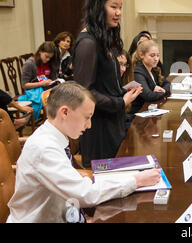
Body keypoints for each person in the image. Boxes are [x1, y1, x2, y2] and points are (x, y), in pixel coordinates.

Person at [7, 82, 161, 223]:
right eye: (87, 117)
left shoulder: (54, 136)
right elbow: (85, 194)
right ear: (65, 112)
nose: (89, 125)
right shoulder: (44, 148)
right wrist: (136, 180)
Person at [72, 0, 142, 168]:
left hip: (112, 121)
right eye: (113, 7)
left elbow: (104, 82)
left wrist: (122, 90)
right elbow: (84, 92)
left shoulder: (104, 38)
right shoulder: (88, 43)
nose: (119, 12)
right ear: (98, 6)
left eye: (120, 7)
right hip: (98, 128)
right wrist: (121, 102)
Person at [129, 40, 171, 114]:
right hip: (138, 115)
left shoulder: (154, 69)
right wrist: (164, 92)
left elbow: (168, 84)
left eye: (158, 55)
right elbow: (148, 96)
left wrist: (161, 90)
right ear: (141, 55)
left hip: (150, 109)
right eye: (152, 55)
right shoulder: (137, 72)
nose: (156, 59)